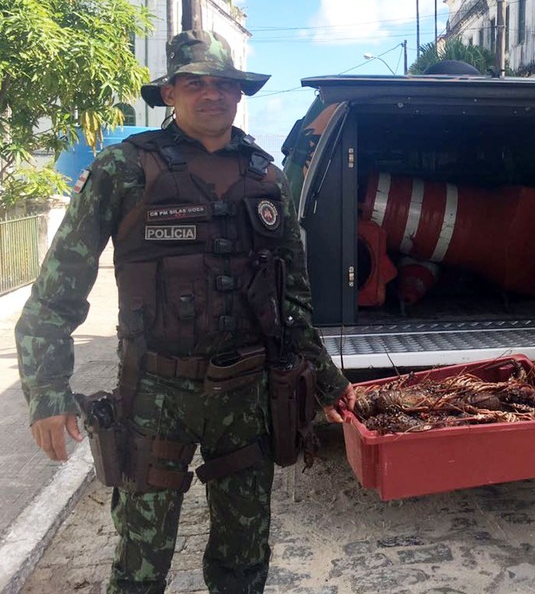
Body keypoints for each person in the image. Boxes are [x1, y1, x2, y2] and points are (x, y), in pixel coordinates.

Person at [16, 30, 352, 593]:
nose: (212, 94)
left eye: (224, 83)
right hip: (154, 396)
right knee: (140, 564)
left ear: (240, 94)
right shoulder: (123, 170)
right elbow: (58, 290)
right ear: (170, 93)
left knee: (244, 558)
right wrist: (46, 391)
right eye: (194, 83)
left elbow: (292, 298)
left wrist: (325, 379)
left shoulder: (267, 178)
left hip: (247, 396)